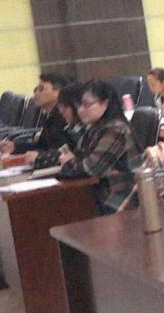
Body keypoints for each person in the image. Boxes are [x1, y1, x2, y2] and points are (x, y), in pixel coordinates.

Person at [57, 80, 142, 214]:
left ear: (105, 103)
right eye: (79, 105)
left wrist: (69, 161)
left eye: (87, 105)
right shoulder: (94, 128)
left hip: (123, 193)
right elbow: (79, 158)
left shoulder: (116, 129)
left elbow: (91, 168)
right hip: (101, 191)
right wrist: (72, 161)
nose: (80, 110)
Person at [0, 73, 73, 159]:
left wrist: (39, 157)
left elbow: (63, 150)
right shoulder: (50, 117)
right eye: (35, 89)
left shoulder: (65, 117)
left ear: (60, 92)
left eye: (41, 89)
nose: (36, 93)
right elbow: (42, 146)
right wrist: (14, 147)